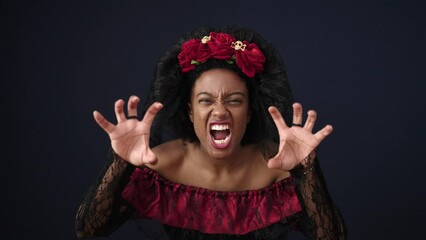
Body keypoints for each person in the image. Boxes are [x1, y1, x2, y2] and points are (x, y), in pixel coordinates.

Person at [75, 25, 347, 240]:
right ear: (190, 111)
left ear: (250, 112)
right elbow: (89, 229)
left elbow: (332, 236)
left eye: (234, 100)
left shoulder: (279, 169)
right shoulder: (159, 166)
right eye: (206, 100)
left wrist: (306, 169)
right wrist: (119, 162)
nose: (220, 111)